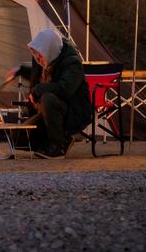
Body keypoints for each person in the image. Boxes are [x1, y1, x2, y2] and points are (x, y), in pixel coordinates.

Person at [6, 29, 90, 159]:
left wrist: (38, 90)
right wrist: (21, 70)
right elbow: (38, 75)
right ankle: (48, 141)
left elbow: (64, 88)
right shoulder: (43, 59)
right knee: (17, 138)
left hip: (70, 111)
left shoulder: (72, 63)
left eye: (40, 53)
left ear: (49, 51)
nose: (37, 57)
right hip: (45, 111)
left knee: (48, 98)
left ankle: (59, 144)